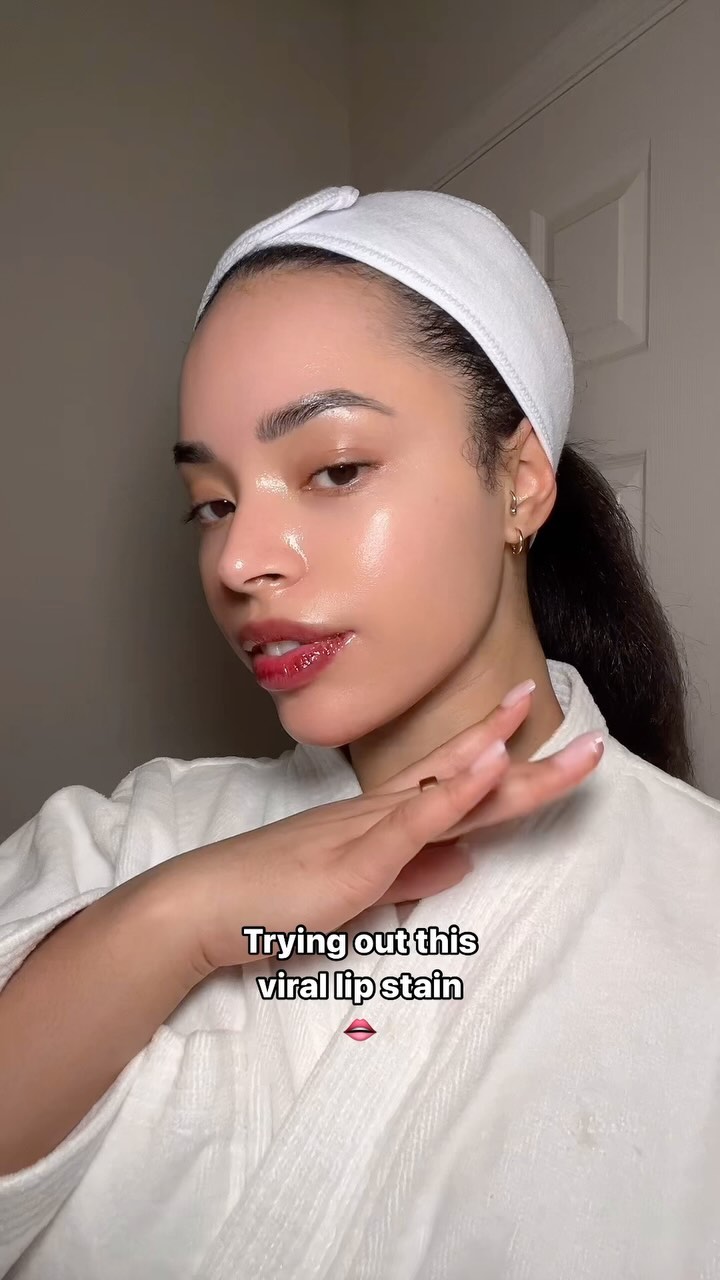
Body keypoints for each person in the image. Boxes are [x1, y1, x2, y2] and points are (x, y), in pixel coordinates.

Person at [0, 184, 718, 1280]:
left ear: (521, 480)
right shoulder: (126, 841)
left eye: (334, 469)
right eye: (212, 502)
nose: (240, 561)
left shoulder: (697, 906)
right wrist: (176, 920)